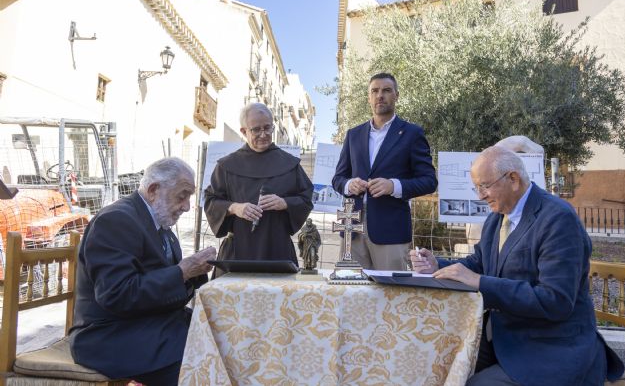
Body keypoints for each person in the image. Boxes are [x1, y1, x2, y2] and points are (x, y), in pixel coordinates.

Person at [410, 146, 624, 386]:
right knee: (438, 361)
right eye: (477, 187)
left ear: (513, 179)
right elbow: (478, 263)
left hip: (552, 348)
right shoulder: (497, 217)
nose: (480, 196)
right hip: (507, 337)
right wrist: (436, 265)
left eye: (485, 186)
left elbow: (556, 301)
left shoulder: (558, 220)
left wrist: (481, 283)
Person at [70, 157, 217, 386]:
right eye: (182, 195)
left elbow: (163, 284)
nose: (187, 206)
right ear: (153, 190)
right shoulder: (116, 220)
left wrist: (193, 271)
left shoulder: (161, 225)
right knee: (198, 357)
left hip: (144, 323)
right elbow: (116, 294)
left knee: (217, 332)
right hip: (108, 335)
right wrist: (183, 272)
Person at [332, 72, 437, 270]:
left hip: (391, 231)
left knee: (391, 294)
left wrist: (393, 186)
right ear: (368, 97)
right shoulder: (353, 135)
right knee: (351, 293)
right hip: (352, 228)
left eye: (386, 90)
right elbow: (338, 178)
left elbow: (429, 180)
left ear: (396, 95)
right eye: (375, 91)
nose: (380, 95)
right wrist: (348, 184)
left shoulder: (412, 134)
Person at [204, 102, 313, 269]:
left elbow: (306, 199)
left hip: (277, 251)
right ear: (243, 131)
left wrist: (285, 203)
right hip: (238, 252)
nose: (263, 134)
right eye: (256, 129)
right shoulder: (226, 165)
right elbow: (211, 202)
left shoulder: (290, 164)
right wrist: (234, 207)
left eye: (267, 128)